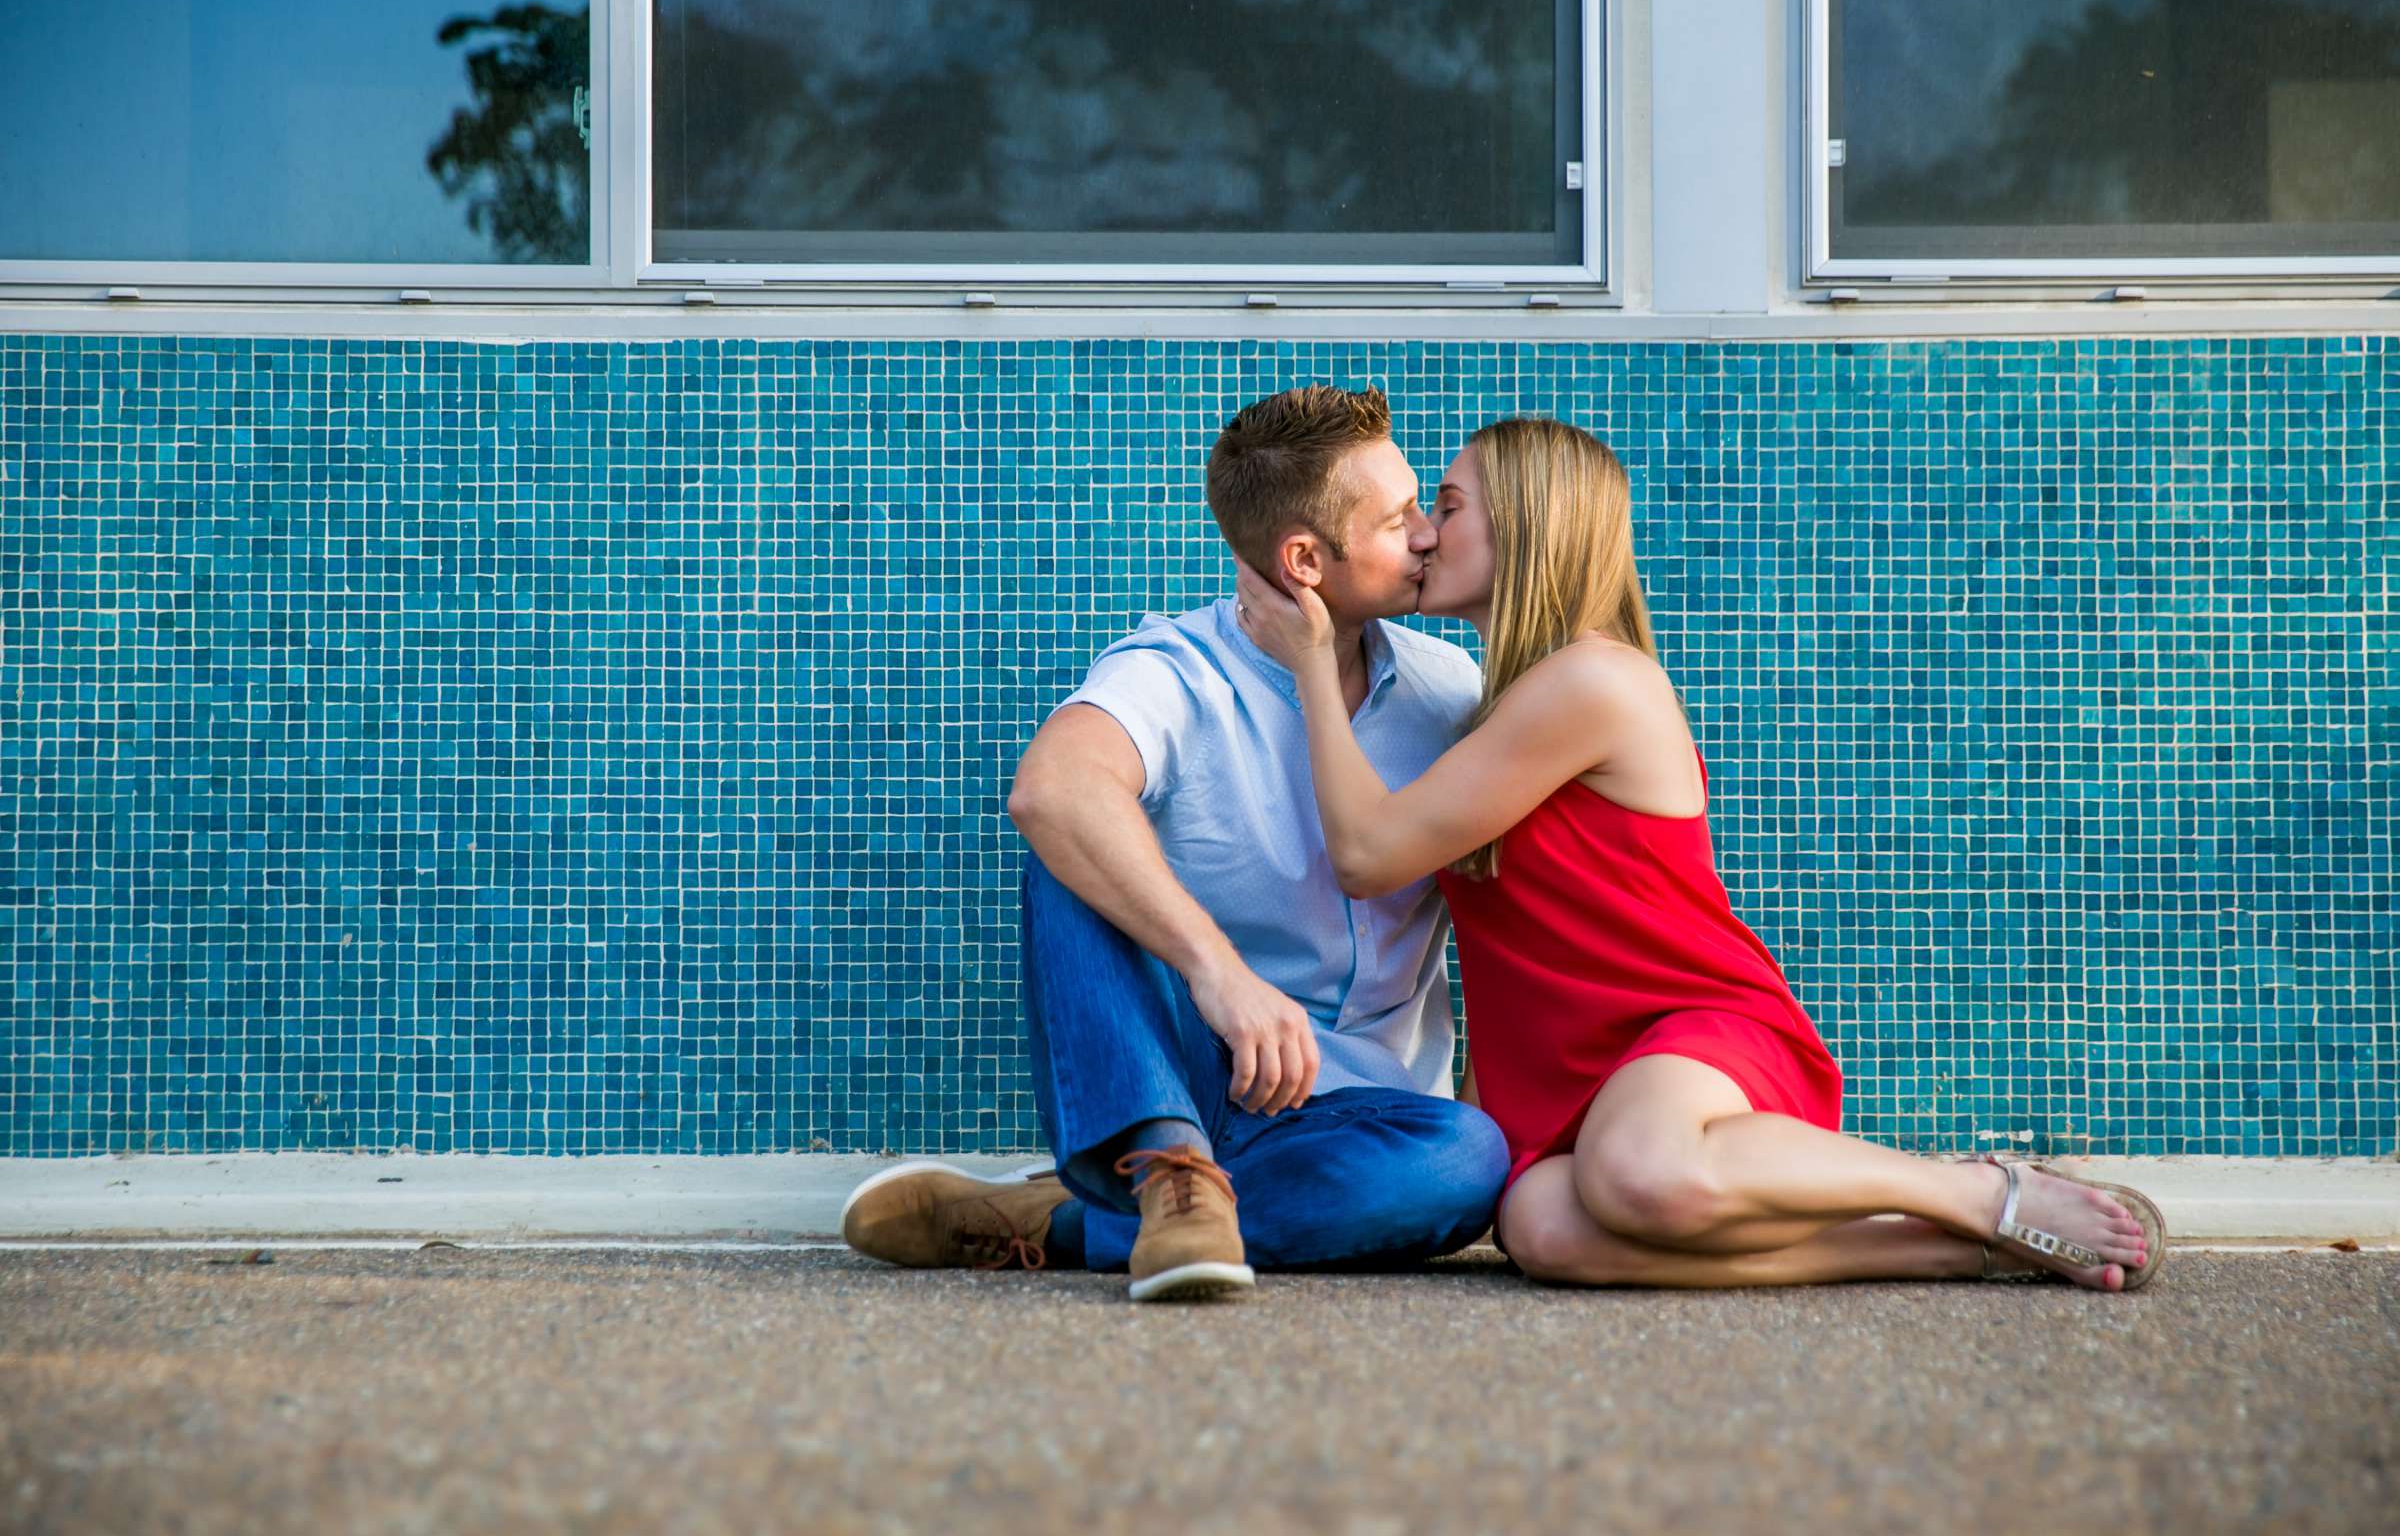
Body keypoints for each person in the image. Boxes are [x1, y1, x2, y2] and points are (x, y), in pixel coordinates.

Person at [1228, 415, 2169, 1291]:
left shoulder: (1592, 678)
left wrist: (1312, 659)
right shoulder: (1496, 710)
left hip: (1689, 1027)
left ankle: (1978, 1190)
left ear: (1525, 524)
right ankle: (1948, 1251)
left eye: (1449, 505)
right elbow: (1510, 948)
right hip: (1580, 1068)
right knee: (1544, 1230)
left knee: (1641, 1172)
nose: (1426, 533)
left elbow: (1367, 855)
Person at [841, 384, 1509, 1301]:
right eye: (1400, 522)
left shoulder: (1447, 690)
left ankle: (1078, 1220)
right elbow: (1052, 789)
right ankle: (1170, 1167)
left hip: (1362, 1118)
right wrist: (1220, 975)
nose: (1429, 534)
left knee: (1468, 1160)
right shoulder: (1173, 672)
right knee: (1070, 844)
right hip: (1194, 1074)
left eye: (1424, 510)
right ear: (1306, 560)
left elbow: (1501, 909)